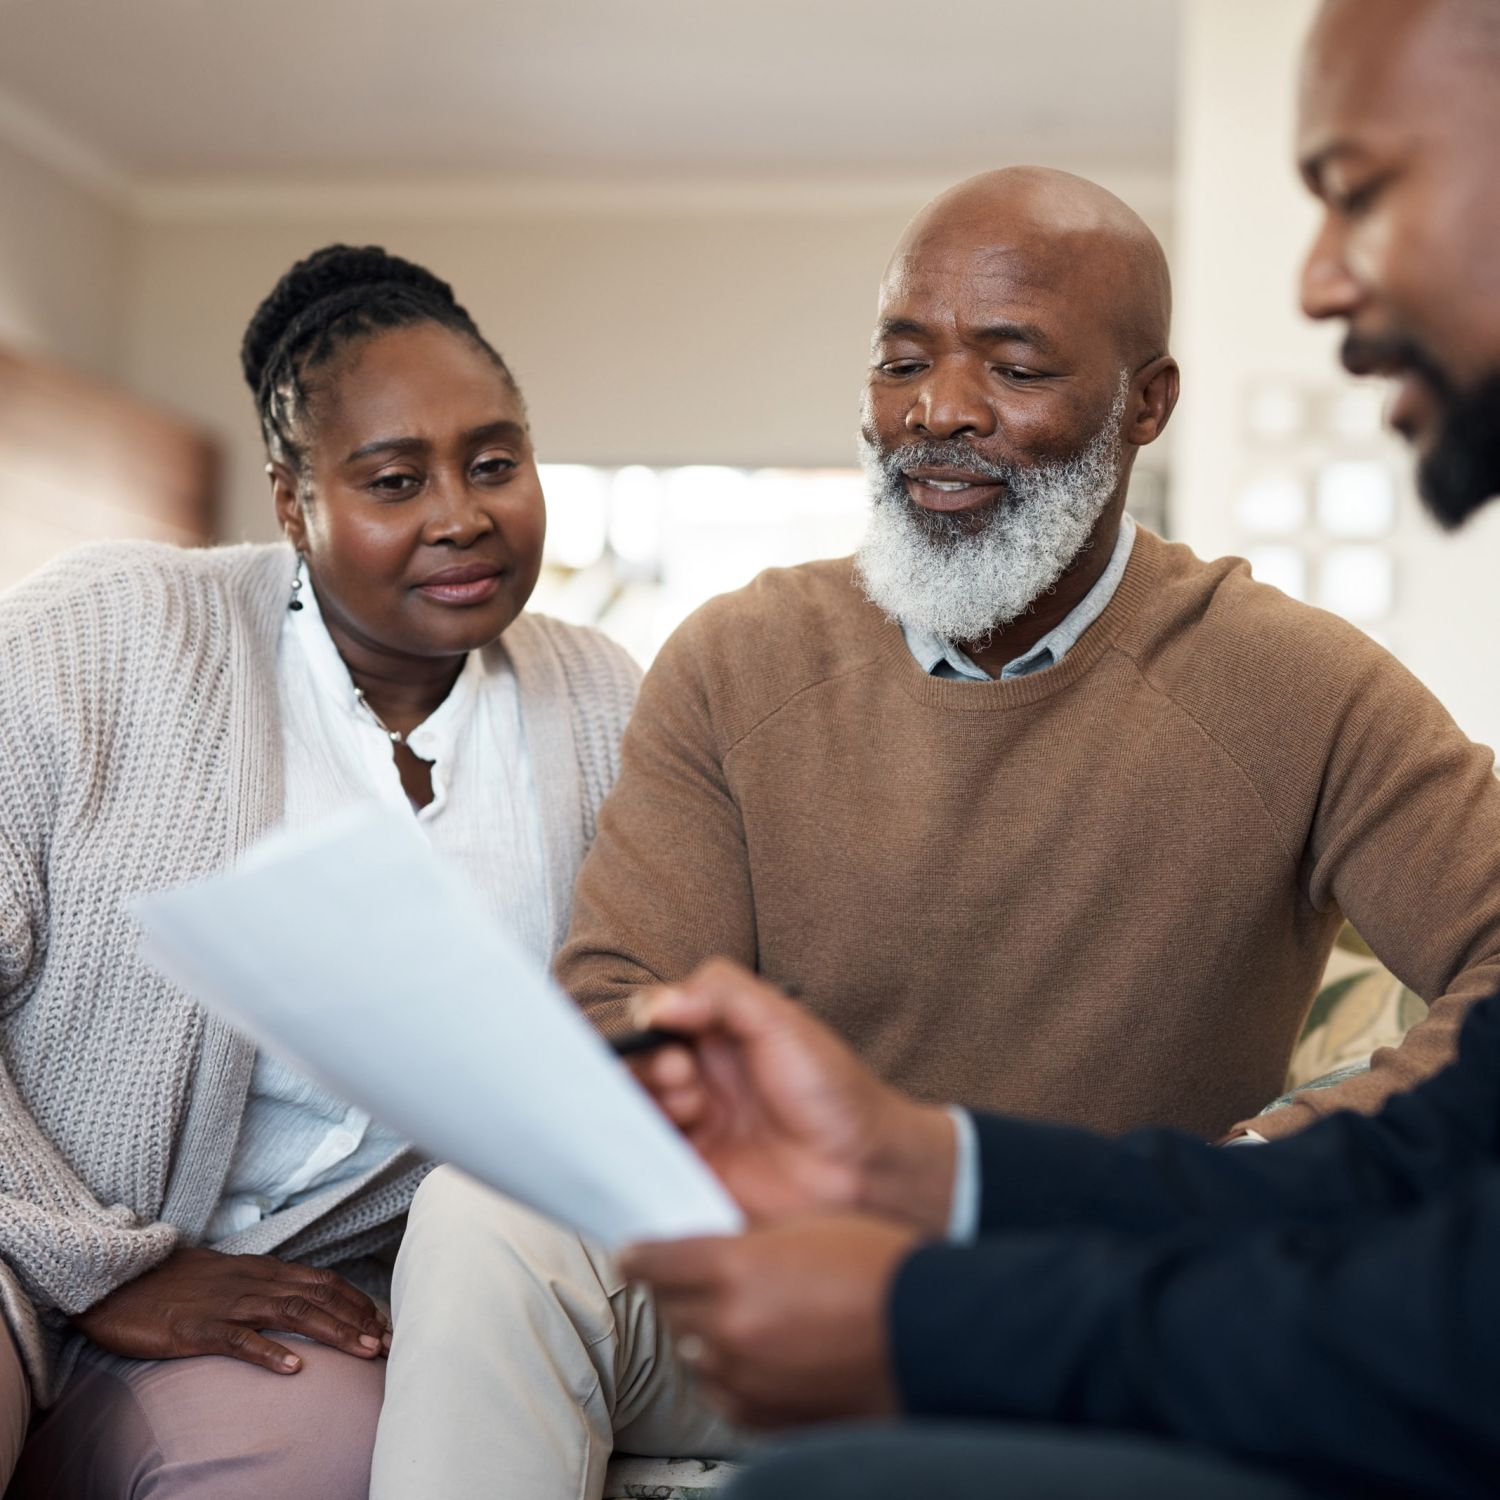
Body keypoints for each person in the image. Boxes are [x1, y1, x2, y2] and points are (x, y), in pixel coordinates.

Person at [379, 157, 1500, 1495]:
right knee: (484, 1216)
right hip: (780, 1264)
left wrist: (1274, 1161)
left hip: (1096, 1305)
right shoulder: (741, 656)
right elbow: (621, 995)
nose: (939, 412)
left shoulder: (1295, 683)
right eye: (903, 361)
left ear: (1146, 405)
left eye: (1014, 367)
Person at [0, 243, 639, 1498]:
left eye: (495, 463)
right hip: (16, 1237)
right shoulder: (99, 636)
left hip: (299, 1306)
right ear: (292, 505)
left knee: (322, 1461)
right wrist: (93, 1265)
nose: (461, 513)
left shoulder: (603, 704)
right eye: (395, 479)